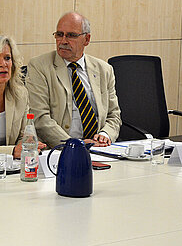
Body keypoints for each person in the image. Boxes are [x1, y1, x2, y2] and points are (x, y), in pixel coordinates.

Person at [26, 12, 121, 148]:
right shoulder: (39, 66)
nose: (63, 41)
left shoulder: (104, 70)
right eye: (59, 34)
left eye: (71, 35)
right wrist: (74, 145)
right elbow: (40, 118)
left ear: (86, 39)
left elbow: (114, 114)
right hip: (60, 150)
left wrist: (105, 135)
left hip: (99, 149)